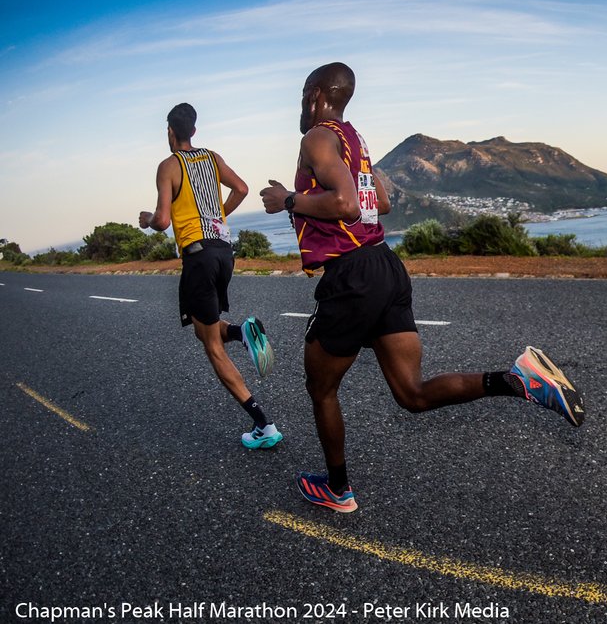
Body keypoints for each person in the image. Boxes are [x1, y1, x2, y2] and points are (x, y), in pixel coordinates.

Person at [260, 62, 584, 514]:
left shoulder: (316, 137)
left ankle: (338, 490)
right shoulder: (355, 139)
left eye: (301, 94)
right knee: (411, 394)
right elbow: (382, 202)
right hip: (386, 267)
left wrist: (288, 201)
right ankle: (516, 381)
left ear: (315, 93)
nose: (299, 104)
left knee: (321, 388)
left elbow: (345, 202)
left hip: (351, 277)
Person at [140, 103, 280, 449]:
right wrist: (219, 214)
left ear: (170, 132)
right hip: (222, 250)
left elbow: (161, 220)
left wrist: (147, 219)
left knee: (213, 348)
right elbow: (243, 188)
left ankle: (264, 425)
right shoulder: (212, 158)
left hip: (197, 257)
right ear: (194, 131)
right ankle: (242, 331)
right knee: (206, 327)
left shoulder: (168, 166)